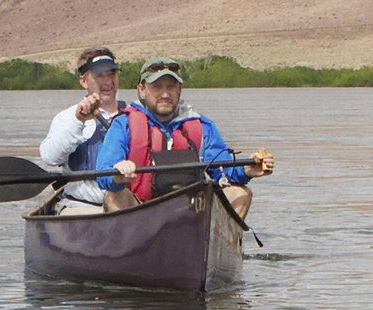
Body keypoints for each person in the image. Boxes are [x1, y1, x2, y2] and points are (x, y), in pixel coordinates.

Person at [90, 57, 274, 214]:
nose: (165, 94)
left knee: (240, 193)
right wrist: (118, 173)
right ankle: (131, 252)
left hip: (191, 213)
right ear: (142, 89)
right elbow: (104, 174)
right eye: (157, 87)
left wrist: (247, 170)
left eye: (171, 87)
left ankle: (214, 250)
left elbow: (223, 171)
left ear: (179, 90)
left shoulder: (202, 126)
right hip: (139, 212)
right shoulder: (123, 124)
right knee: (113, 195)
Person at [37, 48, 123, 205]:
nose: (108, 81)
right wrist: (79, 121)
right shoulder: (67, 118)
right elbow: (50, 157)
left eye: (111, 74)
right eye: (99, 76)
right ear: (84, 81)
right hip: (82, 206)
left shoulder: (134, 115)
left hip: (129, 206)